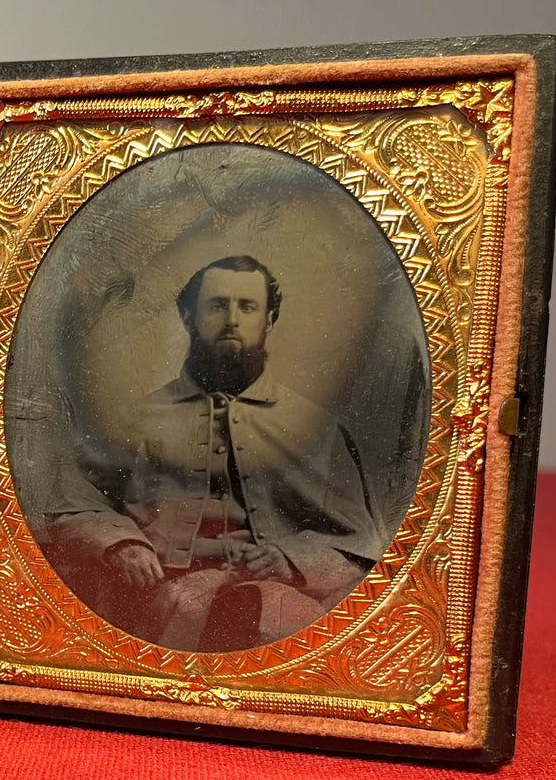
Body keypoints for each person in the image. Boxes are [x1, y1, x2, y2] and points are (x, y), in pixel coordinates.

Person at [43, 256, 381, 651]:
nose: (232, 320)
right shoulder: (135, 419)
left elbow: (358, 542)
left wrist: (289, 559)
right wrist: (121, 544)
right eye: (217, 305)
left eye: (248, 306)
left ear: (269, 321)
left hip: (266, 600)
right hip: (151, 593)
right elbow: (71, 505)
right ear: (187, 317)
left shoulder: (316, 428)